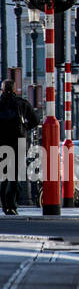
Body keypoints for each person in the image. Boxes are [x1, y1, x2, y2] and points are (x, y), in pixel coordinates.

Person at [0, 80, 37, 215]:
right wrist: (25, 128)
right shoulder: (22, 103)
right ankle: (12, 204)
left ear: (2, 90)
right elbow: (35, 120)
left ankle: (4, 205)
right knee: (15, 175)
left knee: (3, 175)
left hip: (2, 143)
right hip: (18, 142)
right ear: (15, 89)